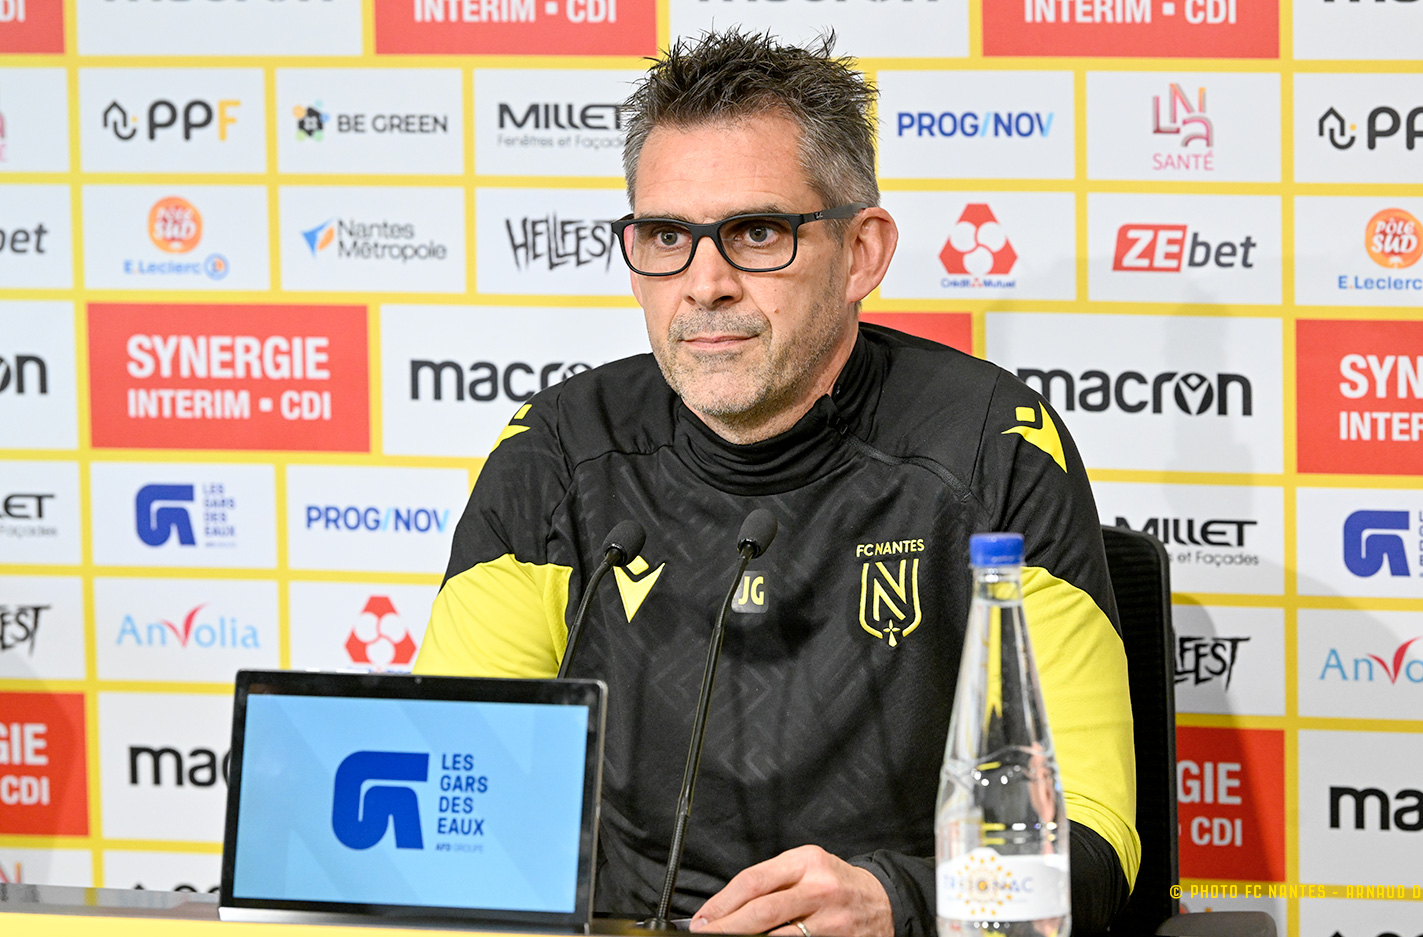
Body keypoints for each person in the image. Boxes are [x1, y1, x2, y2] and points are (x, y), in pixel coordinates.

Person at [414, 29, 1138, 937]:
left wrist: (900, 902)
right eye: (666, 236)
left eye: (757, 233)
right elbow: (453, 802)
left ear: (862, 252)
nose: (704, 284)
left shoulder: (992, 447)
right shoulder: (557, 452)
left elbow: (1092, 843)